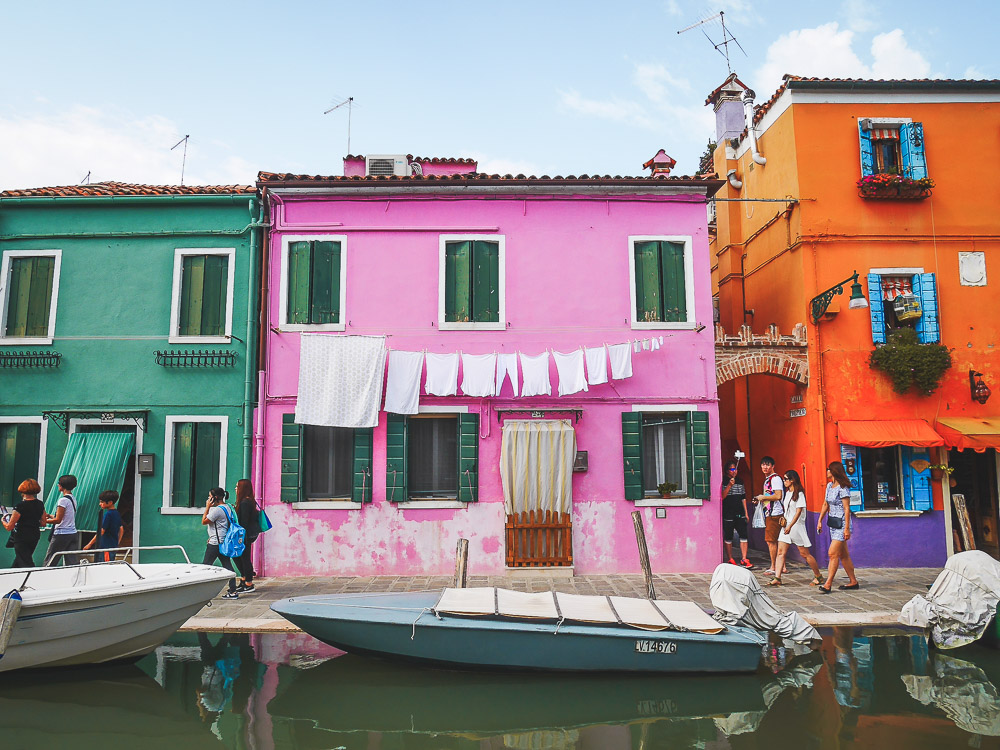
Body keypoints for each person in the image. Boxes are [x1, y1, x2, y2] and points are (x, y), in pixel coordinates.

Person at [768, 469, 823, 586]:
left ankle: (818, 575)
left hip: (796, 526)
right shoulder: (787, 493)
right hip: (786, 526)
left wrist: (790, 525)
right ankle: (777, 578)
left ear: (792, 480)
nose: (784, 481)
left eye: (786, 479)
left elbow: (798, 512)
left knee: (804, 553)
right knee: (780, 552)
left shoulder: (800, 494)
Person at [817, 461, 860, 593]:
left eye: (828, 469)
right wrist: (820, 520)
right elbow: (825, 504)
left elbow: (847, 509)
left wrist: (847, 528)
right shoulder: (829, 486)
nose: (827, 471)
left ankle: (828, 584)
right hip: (833, 523)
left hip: (842, 524)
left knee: (832, 553)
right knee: (843, 555)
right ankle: (853, 581)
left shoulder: (843, 488)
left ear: (834, 471)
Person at [202, 487, 239, 599]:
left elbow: (204, 521)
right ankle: (233, 591)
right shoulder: (227, 507)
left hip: (215, 544)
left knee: (204, 567)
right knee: (228, 566)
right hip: (223, 542)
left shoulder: (217, 510)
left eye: (209, 497)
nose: (208, 499)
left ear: (215, 498)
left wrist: (207, 507)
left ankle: (200, 592)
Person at [753, 456, 785, 576]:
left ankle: (773, 566)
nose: (765, 467)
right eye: (763, 465)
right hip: (771, 512)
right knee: (778, 540)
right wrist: (760, 499)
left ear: (772, 466)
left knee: (770, 541)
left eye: (767, 465)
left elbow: (778, 496)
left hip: (774, 514)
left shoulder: (775, 479)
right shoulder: (768, 479)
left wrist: (763, 497)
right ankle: (782, 566)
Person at [3, 479, 45, 568]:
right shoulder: (40, 504)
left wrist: (3, 521)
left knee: (25, 561)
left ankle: (34, 577)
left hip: (22, 536)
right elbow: (43, 523)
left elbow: (9, 527)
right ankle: (12, 577)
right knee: (21, 559)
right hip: (34, 535)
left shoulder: (20, 506)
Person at [721, 459, 753, 568]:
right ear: (727, 471)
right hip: (728, 512)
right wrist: (729, 485)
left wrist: (746, 513)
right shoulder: (724, 481)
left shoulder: (740, 481)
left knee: (743, 534)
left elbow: (743, 498)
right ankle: (730, 558)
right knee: (728, 535)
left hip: (739, 511)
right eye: (732, 469)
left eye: (735, 469)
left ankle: (744, 558)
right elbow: (722, 496)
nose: (734, 471)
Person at [43, 474, 81, 566]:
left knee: (50, 560)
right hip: (72, 533)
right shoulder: (73, 498)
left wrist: (44, 521)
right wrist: (50, 516)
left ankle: (44, 577)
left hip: (61, 534)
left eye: (58, 483)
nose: (57, 485)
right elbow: (65, 516)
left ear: (62, 486)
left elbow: (58, 520)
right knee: (71, 561)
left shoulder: (62, 500)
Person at [234, 479, 261, 593]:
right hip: (247, 534)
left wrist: (240, 536)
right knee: (239, 556)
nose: (235, 489)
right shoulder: (249, 501)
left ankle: (248, 582)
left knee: (243, 557)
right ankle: (244, 579)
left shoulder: (245, 503)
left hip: (245, 534)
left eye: (237, 486)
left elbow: (243, 522)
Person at [83, 490, 124, 562]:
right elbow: (121, 529)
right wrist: (117, 543)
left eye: (102, 502)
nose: (100, 504)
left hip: (105, 548)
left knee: (104, 567)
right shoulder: (116, 513)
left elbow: (101, 531)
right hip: (112, 546)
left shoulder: (108, 515)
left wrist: (89, 544)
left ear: (110, 502)